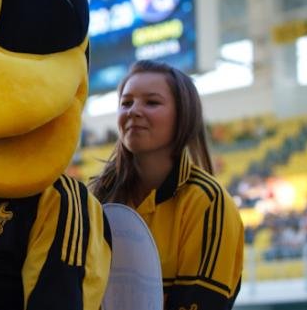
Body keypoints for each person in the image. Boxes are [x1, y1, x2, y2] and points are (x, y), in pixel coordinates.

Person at [90, 60, 244, 310]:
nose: (133, 111)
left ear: (183, 116)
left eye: (152, 102)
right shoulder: (93, 200)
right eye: (126, 103)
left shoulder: (208, 202)